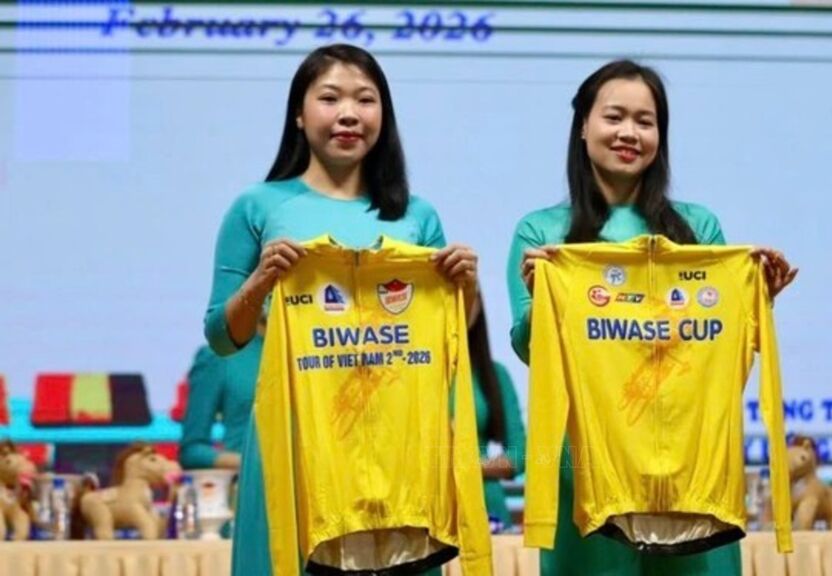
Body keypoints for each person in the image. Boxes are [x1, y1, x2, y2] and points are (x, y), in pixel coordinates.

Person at [507, 60, 798, 576]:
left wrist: (758, 301)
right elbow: (534, 352)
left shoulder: (698, 227)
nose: (629, 133)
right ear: (583, 126)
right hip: (587, 470)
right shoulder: (542, 234)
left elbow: (720, 352)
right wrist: (543, 300)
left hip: (689, 471)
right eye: (614, 117)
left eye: (645, 121)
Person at [202, 43, 478, 576]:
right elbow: (220, 336)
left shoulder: (417, 215)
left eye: (365, 100)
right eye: (330, 98)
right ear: (299, 115)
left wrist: (467, 286)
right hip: (296, 437)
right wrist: (261, 280)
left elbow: (450, 336)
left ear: (383, 116)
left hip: (398, 445)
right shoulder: (257, 206)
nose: (349, 113)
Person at [467, 297, 526, 528]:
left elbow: (520, 454)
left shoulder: (495, 375)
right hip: (429, 514)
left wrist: (465, 468)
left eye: (469, 295)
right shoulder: (415, 378)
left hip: (489, 512)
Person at [178, 323, 263, 471]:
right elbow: (192, 450)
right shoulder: (221, 355)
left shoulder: (305, 350)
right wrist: (253, 465)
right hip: (251, 479)